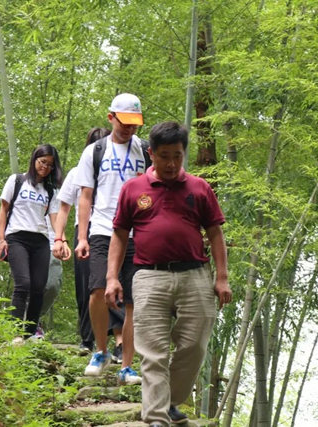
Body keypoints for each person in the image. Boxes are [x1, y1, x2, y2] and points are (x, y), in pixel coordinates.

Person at [106, 121, 233, 426]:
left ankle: (171, 400)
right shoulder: (133, 189)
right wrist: (111, 277)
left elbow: (215, 233)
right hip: (149, 276)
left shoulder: (200, 187)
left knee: (194, 346)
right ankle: (157, 418)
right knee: (153, 352)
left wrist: (222, 277)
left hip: (196, 276)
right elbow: (120, 234)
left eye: (178, 155)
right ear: (151, 154)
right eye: (165, 156)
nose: (172, 163)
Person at [73, 93, 148, 385]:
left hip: (136, 232)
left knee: (131, 302)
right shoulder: (95, 151)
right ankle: (101, 351)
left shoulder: (144, 150)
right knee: (97, 290)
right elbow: (85, 196)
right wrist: (82, 237)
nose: (129, 129)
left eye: (134, 124)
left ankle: (127, 366)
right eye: (124, 122)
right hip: (103, 228)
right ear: (111, 117)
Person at [52, 127, 126, 357]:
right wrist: (59, 237)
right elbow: (64, 207)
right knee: (88, 287)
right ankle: (88, 338)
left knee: (116, 283)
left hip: (115, 231)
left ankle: (119, 341)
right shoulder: (77, 173)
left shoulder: (121, 168)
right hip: (84, 231)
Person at [0, 144, 62, 343]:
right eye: (42, 162)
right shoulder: (17, 181)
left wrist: (60, 239)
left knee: (39, 287)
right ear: (34, 160)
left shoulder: (51, 190)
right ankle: (16, 333)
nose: (45, 167)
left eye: (50, 165)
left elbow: (54, 217)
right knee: (23, 283)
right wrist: (1, 239)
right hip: (17, 237)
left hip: (40, 240)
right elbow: (3, 210)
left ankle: (30, 333)